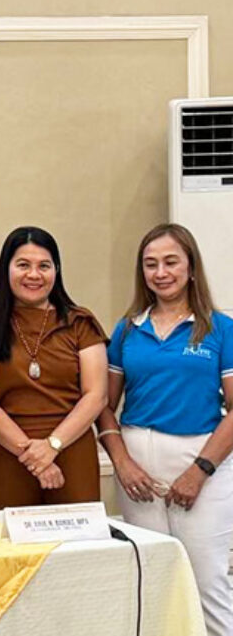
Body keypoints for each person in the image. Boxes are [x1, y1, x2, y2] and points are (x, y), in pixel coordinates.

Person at [98, 223, 233, 636]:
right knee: (152, 574)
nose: (161, 272)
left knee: (206, 576)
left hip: (204, 459)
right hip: (137, 462)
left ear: (191, 267)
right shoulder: (126, 329)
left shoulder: (219, 328)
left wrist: (199, 471)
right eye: (150, 264)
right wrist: (122, 463)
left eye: (171, 262)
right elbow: (103, 405)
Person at [0, 226, 107, 509]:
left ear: (57, 271)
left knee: (77, 547)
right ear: (6, 270)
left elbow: (97, 395)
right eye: (23, 265)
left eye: (44, 266)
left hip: (72, 448)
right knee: (14, 549)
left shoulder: (80, 322)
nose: (34, 275)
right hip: (10, 452)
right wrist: (35, 457)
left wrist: (53, 445)